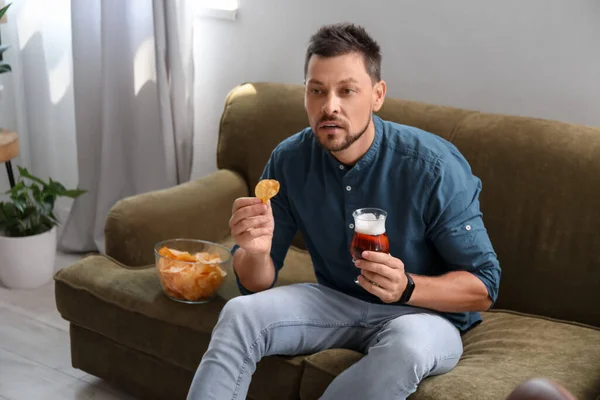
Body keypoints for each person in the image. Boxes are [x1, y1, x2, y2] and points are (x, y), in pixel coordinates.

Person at [187, 23, 501, 400]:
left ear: (377, 95)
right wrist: (254, 252)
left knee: (408, 348)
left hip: (425, 316)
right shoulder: (290, 160)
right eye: (316, 91)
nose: (329, 106)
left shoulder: (432, 167)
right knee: (240, 313)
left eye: (347, 90)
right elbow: (256, 282)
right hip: (336, 300)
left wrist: (408, 287)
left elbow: (484, 286)